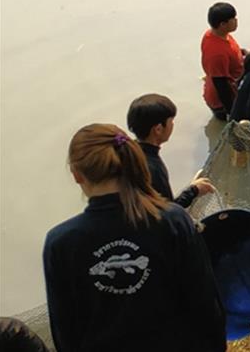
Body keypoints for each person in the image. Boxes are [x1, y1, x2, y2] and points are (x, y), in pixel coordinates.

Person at [42, 124, 225, 352]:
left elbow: (65, 330)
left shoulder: (60, 243)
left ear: (77, 175)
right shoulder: (172, 220)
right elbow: (205, 301)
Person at [126, 93, 214, 208]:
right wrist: (194, 191)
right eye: (171, 122)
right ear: (158, 129)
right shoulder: (152, 168)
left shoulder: (128, 152)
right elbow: (169, 212)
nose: (173, 125)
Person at [201, 2, 244, 120]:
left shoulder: (214, 34)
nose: (236, 21)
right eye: (233, 19)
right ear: (223, 24)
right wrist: (233, 114)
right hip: (222, 101)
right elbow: (221, 86)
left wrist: (244, 53)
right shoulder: (217, 54)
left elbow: (231, 50)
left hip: (229, 84)